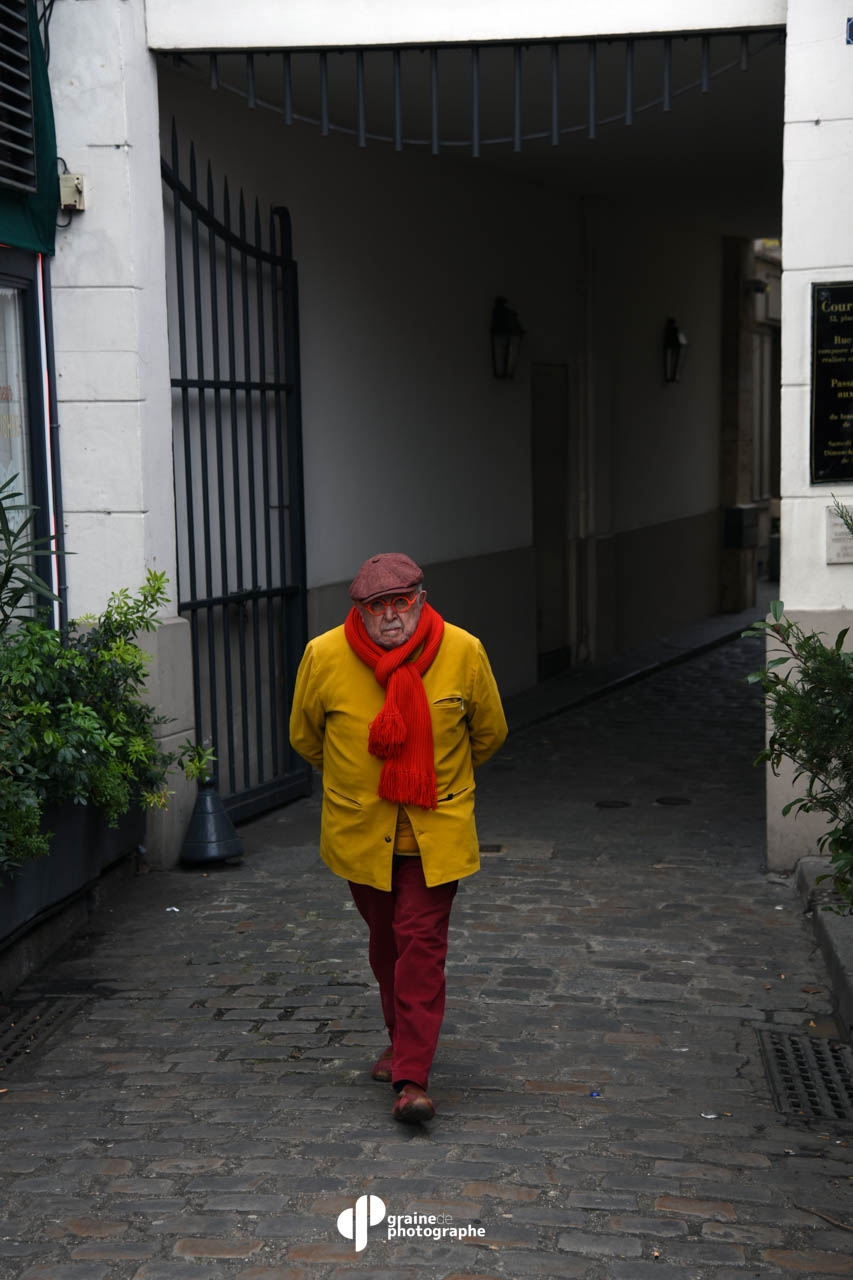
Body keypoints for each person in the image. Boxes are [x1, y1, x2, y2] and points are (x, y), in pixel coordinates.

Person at [289, 552, 507, 1123]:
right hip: (362, 834)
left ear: (421, 600)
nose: (390, 617)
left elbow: (488, 733)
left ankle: (413, 1078)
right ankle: (398, 1040)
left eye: (400, 604)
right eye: (374, 607)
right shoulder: (324, 656)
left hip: (436, 834)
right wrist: (357, 784)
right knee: (387, 949)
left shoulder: (463, 651)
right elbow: (307, 739)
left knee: (420, 950)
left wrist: (438, 778)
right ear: (357, 612)